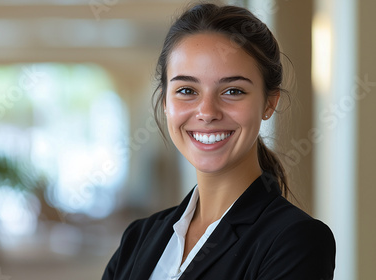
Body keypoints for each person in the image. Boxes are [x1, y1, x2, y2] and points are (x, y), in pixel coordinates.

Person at [102, 2, 336, 280]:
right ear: (165, 102)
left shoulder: (295, 241)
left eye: (233, 91)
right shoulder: (138, 238)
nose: (207, 112)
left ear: (269, 103)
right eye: (187, 90)